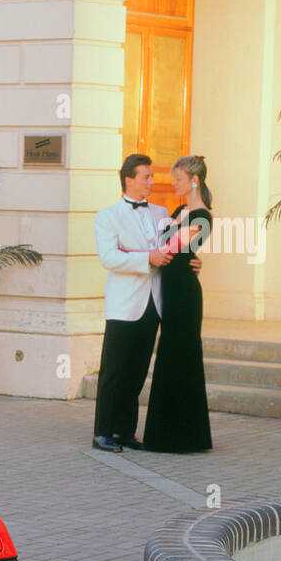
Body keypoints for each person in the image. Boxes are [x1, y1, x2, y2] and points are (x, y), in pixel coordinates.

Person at [91, 154, 201, 452]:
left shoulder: (161, 212)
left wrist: (191, 262)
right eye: (147, 177)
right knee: (114, 370)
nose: (153, 181)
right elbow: (110, 258)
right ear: (129, 179)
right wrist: (145, 258)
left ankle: (125, 432)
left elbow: (173, 249)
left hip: (155, 302)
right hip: (124, 303)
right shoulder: (107, 216)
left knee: (137, 371)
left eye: (153, 176)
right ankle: (103, 432)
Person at [143, 155, 213, 452]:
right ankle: (164, 434)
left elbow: (172, 248)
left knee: (181, 355)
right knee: (169, 354)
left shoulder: (201, 215)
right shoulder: (180, 209)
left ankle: (184, 437)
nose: (173, 184)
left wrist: (132, 250)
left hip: (184, 292)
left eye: (178, 180)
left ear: (193, 181)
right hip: (171, 288)